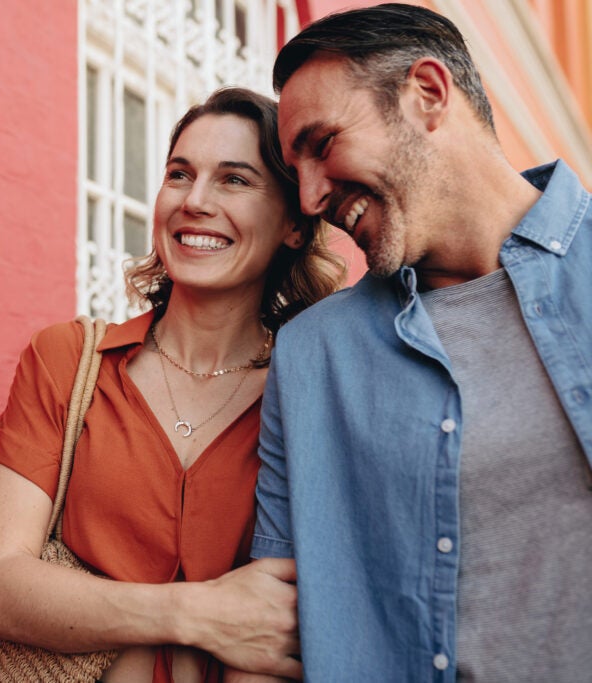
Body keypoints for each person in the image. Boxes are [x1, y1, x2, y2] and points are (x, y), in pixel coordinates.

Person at [251, 3, 592, 681]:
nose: (312, 197)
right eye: (298, 174)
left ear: (428, 95)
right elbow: (270, 622)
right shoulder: (313, 356)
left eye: (322, 144)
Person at [0, 87, 344, 682]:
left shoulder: (307, 399)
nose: (194, 200)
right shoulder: (68, 361)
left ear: (294, 225)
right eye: (178, 174)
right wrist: (193, 613)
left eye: (234, 180)